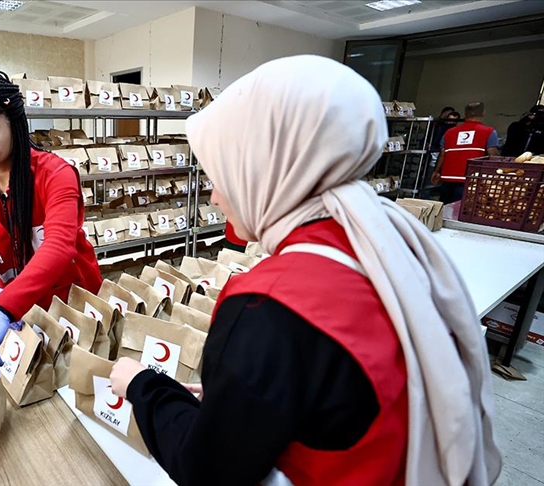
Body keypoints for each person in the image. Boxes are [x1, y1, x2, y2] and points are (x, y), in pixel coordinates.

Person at [109, 56, 500, 486]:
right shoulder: (385, 242)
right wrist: (238, 402)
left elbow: (208, 471)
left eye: (221, 175)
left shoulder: (266, 305)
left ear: (263, 168)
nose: (216, 198)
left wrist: (143, 386)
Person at [0, 69, 102, 389]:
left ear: (14, 125)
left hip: (68, 307)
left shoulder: (54, 175)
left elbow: (58, 248)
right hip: (15, 315)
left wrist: (3, 309)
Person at [431, 102, 500, 204]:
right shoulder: (489, 132)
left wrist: (436, 172)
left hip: (447, 179)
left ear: (465, 114)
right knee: (462, 211)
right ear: (483, 113)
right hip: (471, 181)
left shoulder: (449, 132)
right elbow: (493, 156)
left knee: (445, 210)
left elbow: (442, 154)